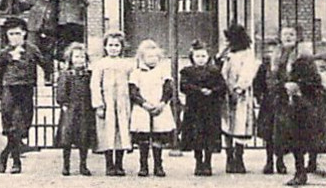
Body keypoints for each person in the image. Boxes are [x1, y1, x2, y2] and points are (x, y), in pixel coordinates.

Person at [0, 16, 52, 174]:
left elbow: (45, 64)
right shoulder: (4, 54)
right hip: (9, 91)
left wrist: (48, 75)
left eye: (17, 33)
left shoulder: (31, 50)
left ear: (24, 34)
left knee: (23, 126)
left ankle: (5, 154)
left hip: (26, 91)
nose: (14, 37)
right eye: (11, 34)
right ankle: (16, 162)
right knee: (12, 127)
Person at [252, 24, 306, 175]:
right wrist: (259, 94)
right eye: (285, 35)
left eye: (292, 35)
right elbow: (260, 78)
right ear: (280, 38)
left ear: (297, 38)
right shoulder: (270, 58)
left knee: (285, 131)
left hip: (290, 99)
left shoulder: (301, 57)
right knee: (269, 131)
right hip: (272, 98)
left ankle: (280, 161)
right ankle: (269, 161)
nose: (288, 37)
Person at [275, 53, 326, 187]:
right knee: (301, 146)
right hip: (304, 118)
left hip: (301, 118)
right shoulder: (313, 81)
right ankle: (303, 171)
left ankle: (301, 172)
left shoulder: (304, 83)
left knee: (298, 147)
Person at [127, 38, 176, 178]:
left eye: (155, 56)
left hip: (159, 107)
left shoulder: (163, 71)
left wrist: (162, 103)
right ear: (142, 57)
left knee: (158, 137)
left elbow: (168, 89)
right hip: (143, 108)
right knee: (143, 137)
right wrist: (144, 104)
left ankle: (158, 165)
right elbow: (133, 91)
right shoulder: (136, 73)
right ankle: (143, 165)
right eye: (149, 56)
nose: (152, 59)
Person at [91, 31, 136, 176]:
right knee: (107, 132)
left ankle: (119, 164)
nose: (113, 48)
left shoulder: (127, 64)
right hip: (107, 103)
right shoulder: (100, 64)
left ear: (122, 47)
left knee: (121, 131)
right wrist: (98, 104)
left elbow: (133, 84)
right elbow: (95, 85)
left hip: (123, 102)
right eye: (110, 45)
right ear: (105, 47)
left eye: (117, 45)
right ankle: (109, 164)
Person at [179, 40, 226, 176]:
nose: (200, 59)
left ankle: (208, 162)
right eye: (197, 56)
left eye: (203, 56)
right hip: (194, 109)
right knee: (196, 136)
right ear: (192, 57)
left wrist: (212, 91)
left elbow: (222, 86)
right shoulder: (187, 72)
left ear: (208, 57)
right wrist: (199, 90)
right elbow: (184, 86)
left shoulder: (214, 71)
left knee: (209, 136)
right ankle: (198, 162)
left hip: (210, 109)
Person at [219, 23, 261, 174]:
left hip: (240, 94)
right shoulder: (227, 53)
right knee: (227, 125)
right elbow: (221, 71)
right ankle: (229, 158)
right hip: (225, 93)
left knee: (240, 124)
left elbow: (248, 72)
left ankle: (239, 157)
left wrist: (239, 88)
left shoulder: (247, 53)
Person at [54, 42, 98, 176]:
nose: (79, 60)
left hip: (85, 109)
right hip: (70, 110)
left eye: (82, 57)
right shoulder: (66, 75)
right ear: (71, 59)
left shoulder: (89, 75)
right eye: (77, 57)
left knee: (83, 137)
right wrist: (64, 104)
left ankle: (83, 165)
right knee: (67, 137)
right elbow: (61, 91)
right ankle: (66, 165)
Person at [19, 0, 60, 65]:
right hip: (34, 32)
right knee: (31, 55)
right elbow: (19, 7)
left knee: (48, 57)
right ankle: (31, 76)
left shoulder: (56, 0)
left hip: (50, 33)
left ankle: (48, 77)